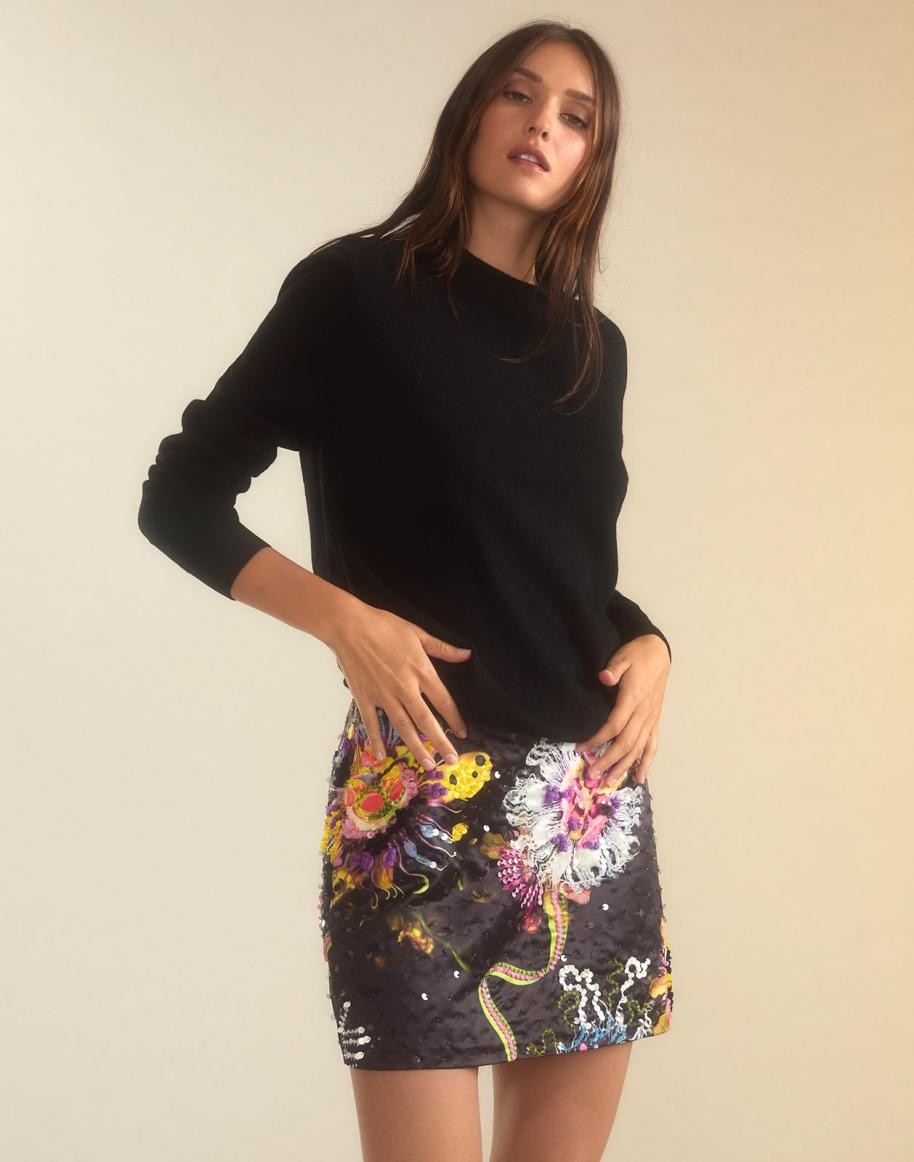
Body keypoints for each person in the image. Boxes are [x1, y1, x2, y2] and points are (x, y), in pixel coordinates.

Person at [138, 19, 674, 1162]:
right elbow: (179, 497)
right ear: (470, 110)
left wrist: (650, 641)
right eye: (518, 94)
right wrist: (345, 622)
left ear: (595, 157)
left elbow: (562, 562)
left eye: (575, 116)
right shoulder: (356, 288)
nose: (541, 125)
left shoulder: (596, 347)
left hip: (586, 802)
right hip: (419, 797)